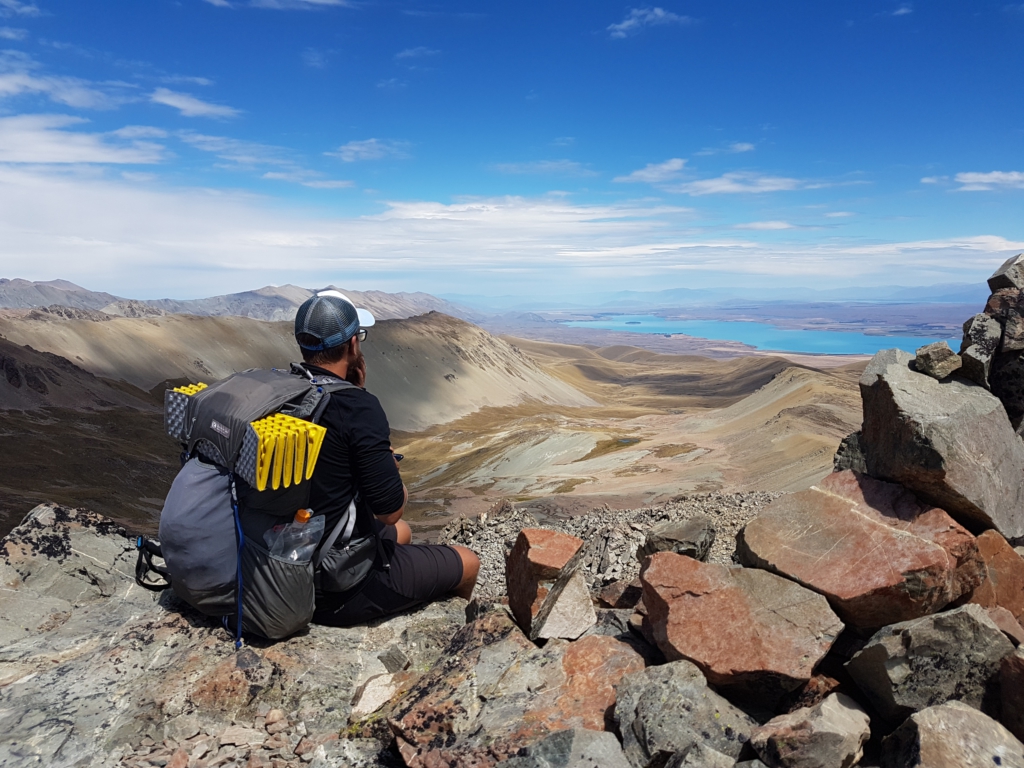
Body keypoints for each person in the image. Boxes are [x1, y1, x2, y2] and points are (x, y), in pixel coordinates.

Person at [293, 290, 479, 627]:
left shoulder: (289, 392)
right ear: (352, 345)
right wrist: (390, 469)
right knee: (468, 561)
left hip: (291, 552)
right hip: (337, 588)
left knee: (405, 534)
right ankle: (451, 639)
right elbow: (390, 511)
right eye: (359, 337)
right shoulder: (358, 409)